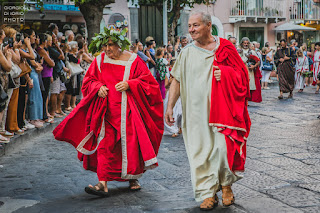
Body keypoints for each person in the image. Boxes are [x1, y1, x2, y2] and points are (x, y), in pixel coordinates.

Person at [53, 28, 164, 196]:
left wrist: (130, 84)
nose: (107, 49)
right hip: (106, 113)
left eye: (111, 45)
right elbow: (89, 81)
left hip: (129, 113)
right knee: (105, 146)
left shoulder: (133, 60)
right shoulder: (99, 61)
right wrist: (98, 88)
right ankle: (102, 183)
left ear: (120, 45)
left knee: (130, 146)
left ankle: (132, 177)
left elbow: (149, 84)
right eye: (105, 45)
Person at [165, 12, 251, 211]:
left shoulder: (225, 47)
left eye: (196, 25)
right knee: (200, 152)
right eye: (190, 25)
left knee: (222, 149)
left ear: (208, 26)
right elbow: (176, 79)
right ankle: (208, 193)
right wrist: (170, 107)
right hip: (195, 113)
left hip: (222, 111)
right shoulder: (186, 52)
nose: (191, 29)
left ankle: (226, 185)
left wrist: (227, 74)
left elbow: (242, 75)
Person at [239, 37, 262, 103]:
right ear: (242, 43)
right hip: (241, 70)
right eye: (244, 43)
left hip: (250, 71)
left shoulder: (252, 51)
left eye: (247, 43)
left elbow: (258, 61)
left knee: (248, 86)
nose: (246, 44)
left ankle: (246, 101)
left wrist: (254, 66)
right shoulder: (238, 51)